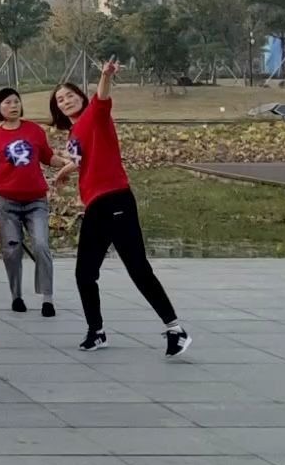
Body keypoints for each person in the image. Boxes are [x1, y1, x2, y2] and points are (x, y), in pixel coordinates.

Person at [51, 59, 192, 357]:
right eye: (60, 100)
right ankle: (97, 331)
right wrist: (63, 173)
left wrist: (105, 75)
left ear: (81, 96)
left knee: (138, 269)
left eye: (70, 95)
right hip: (96, 205)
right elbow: (78, 162)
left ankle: (176, 330)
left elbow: (103, 96)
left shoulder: (95, 113)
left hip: (115, 199)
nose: (65, 101)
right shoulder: (74, 133)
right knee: (85, 273)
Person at [0, 87, 60, 316]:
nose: (13, 106)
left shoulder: (34, 130)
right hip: (7, 202)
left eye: (16, 102)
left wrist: (66, 163)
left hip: (36, 200)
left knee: (41, 245)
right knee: (11, 250)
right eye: (7, 103)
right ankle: (16, 296)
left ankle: (47, 298)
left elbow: (47, 156)